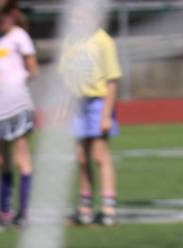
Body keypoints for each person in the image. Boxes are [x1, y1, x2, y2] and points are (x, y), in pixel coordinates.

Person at [59, 8, 122, 226]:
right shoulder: (70, 41)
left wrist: (106, 115)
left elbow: (112, 81)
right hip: (78, 104)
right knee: (81, 157)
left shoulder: (103, 41)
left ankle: (108, 207)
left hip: (97, 103)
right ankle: (84, 207)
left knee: (99, 155)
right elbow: (66, 78)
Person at [0, 0, 38, 227]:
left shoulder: (20, 37)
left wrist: (16, 86)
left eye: (4, 15)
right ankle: (4, 211)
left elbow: (33, 70)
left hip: (16, 104)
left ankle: (24, 212)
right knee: (1, 159)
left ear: (13, 14)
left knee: (21, 158)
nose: (0, 20)